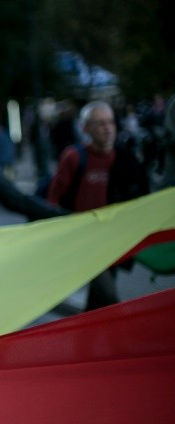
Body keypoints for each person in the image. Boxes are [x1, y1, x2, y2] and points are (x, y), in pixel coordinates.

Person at [47, 101, 149, 311]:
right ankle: (121, 333)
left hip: (113, 238)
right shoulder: (74, 157)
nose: (108, 128)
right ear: (86, 128)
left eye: (110, 122)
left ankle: (87, 338)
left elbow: (140, 194)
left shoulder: (125, 158)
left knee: (97, 302)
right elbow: (53, 199)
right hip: (84, 239)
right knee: (110, 296)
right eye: (100, 123)